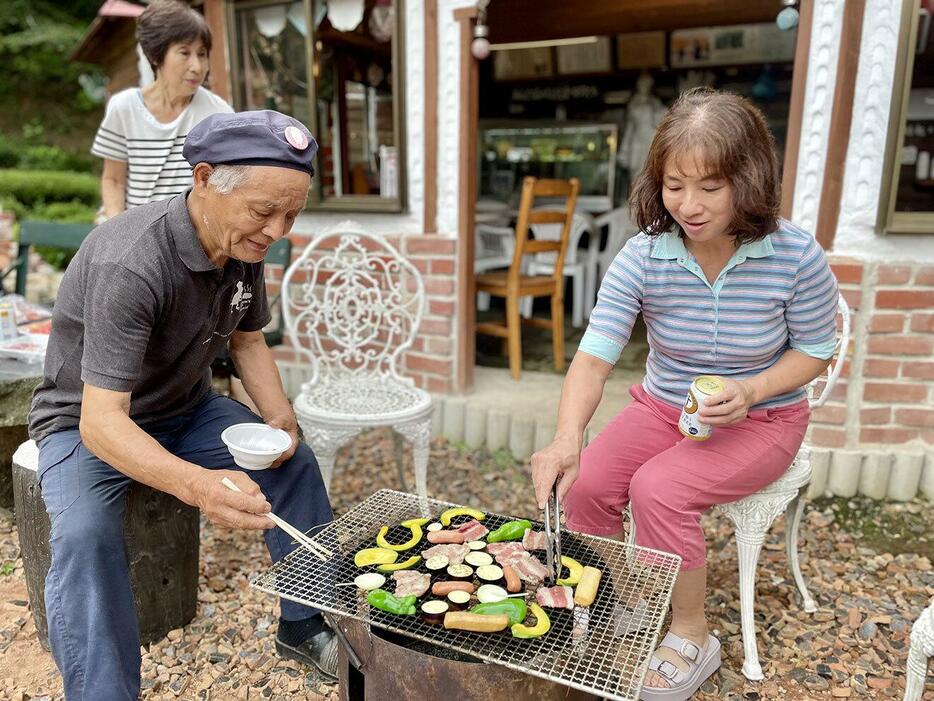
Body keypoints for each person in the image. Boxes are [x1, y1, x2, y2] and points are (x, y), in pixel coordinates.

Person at [531, 88, 839, 700]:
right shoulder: (646, 255)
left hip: (764, 420)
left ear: (747, 181)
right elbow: (593, 358)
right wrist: (568, 439)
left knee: (659, 489)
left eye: (710, 186)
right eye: (675, 185)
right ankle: (620, 596)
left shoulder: (794, 254)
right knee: (585, 480)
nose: (689, 205)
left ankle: (692, 634)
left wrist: (751, 389)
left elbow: (816, 350)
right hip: (663, 407)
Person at [28, 110, 338, 699]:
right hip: (86, 422)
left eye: (291, 214)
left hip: (186, 408)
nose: (277, 230)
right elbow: (101, 420)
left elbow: (247, 340)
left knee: (294, 466)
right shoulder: (131, 261)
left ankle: (304, 625)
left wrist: (279, 420)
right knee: (86, 533)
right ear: (203, 179)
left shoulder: (243, 245)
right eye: (264, 211)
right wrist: (198, 486)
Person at [91, 0, 232, 221]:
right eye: (185, 53)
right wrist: (116, 230)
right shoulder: (124, 107)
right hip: (132, 232)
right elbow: (113, 180)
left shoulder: (218, 114)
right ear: (156, 56)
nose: (196, 66)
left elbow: (224, 186)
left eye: (202, 54)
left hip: (190, 238)